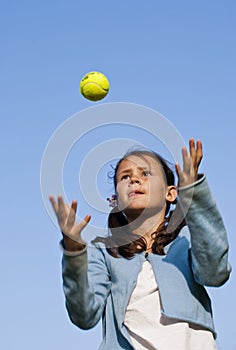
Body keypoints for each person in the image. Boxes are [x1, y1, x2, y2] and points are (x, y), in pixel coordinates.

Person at [49, 138, 231, 350]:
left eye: (145, 173)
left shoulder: (186, 240)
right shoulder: (105, 253)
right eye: (125, 177)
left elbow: (215, 274)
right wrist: (74, 252)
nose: (134, 179)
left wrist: (193, 192)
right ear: (115, 200)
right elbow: (84, 316)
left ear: (171, 193)